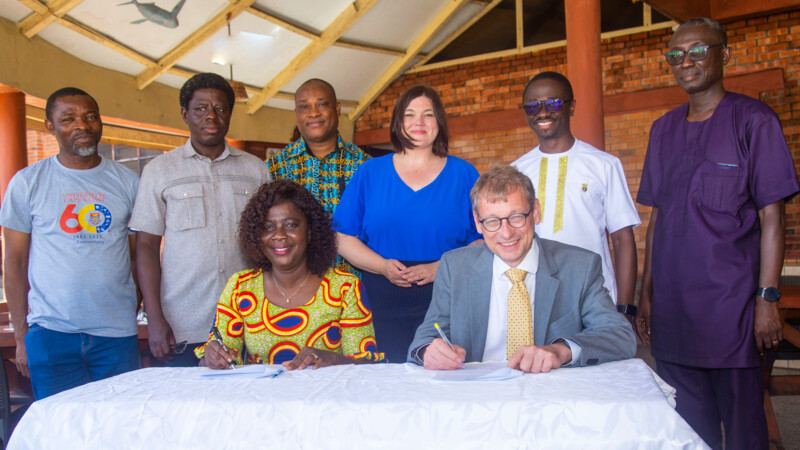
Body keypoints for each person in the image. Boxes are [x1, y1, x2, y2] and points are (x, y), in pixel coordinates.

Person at [636, 18, 800, 449]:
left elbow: (772, 215)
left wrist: (767, 298)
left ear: (723, 55)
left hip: (734, 314)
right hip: (674, 317)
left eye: (696, 51)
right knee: (689, 434)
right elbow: (659, 218)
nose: (684, 62)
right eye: (675, 55)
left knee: (746, 432)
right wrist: (646, 295)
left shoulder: (754, 121)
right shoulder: (662, 130)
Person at [408, 166, 636, 372]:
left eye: (516, 217)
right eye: (492, 221)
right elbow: (424, 338)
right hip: (477, 397)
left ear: (535, 211)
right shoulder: (454, 266)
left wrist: (560, 351)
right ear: (478, 222)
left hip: (551, 397)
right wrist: (429, 351)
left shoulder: (580, 266)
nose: (506, 233)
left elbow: (620, 336)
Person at [0, 88, 140, 399]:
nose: (82, 125)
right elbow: (14, 262)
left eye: (91, 117)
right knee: (60, 431)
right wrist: (21, 335)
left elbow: (135, 259)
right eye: (68, 119)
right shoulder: (28, 182)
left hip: (115, 334)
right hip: (50, 334)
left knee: (120, 429)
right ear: (50, 126)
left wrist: (133, 308)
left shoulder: (128, 182)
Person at [129, 73, 271, 367]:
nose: (211, 116)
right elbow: (145, 246)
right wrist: (154, 317)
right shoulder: (160, 170)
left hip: (250, 319)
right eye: (200, 109)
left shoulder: (256, 170)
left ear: (230, 114)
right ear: (184, 114)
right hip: (182, 324)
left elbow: (269, 243)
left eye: (220, 109)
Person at [333, 85, 482, 362]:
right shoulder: (369, 173)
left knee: (444, 379)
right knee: (386, 383)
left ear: (439, 122)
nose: (419, 122)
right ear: (398, 122)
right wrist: (382, 266)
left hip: (447, 295)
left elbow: (483, 239)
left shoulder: (464, 174)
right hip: (381, 296)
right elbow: (342, 237)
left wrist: (442, 268)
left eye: (428, 115)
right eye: (410, 114)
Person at [197, 181, 383, 369]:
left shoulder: (345, 287)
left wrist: (333, 359)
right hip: (261, 395)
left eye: (291, 225)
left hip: (326, 395)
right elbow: (223, 358)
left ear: (310, 232)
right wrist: (213, 357)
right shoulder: (240, 287)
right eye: (269, 227)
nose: (279, 235)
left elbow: (365, 364)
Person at [512, 72, 640, 324]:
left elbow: (623, 240)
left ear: (572, 107)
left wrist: (625, 308)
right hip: (535, 297)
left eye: (553, 103)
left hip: (595, 297)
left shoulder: (604, 165)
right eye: (532, 106)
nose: (543, 112)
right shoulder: (517, 171)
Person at [266, 79, 370, 275]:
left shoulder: (364, 166)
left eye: (322, 104)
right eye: (304, 107)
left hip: (352, 286)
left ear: (337, 108)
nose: (313, 113)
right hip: (293, 287)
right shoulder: (274, 168)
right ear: (296, 113)